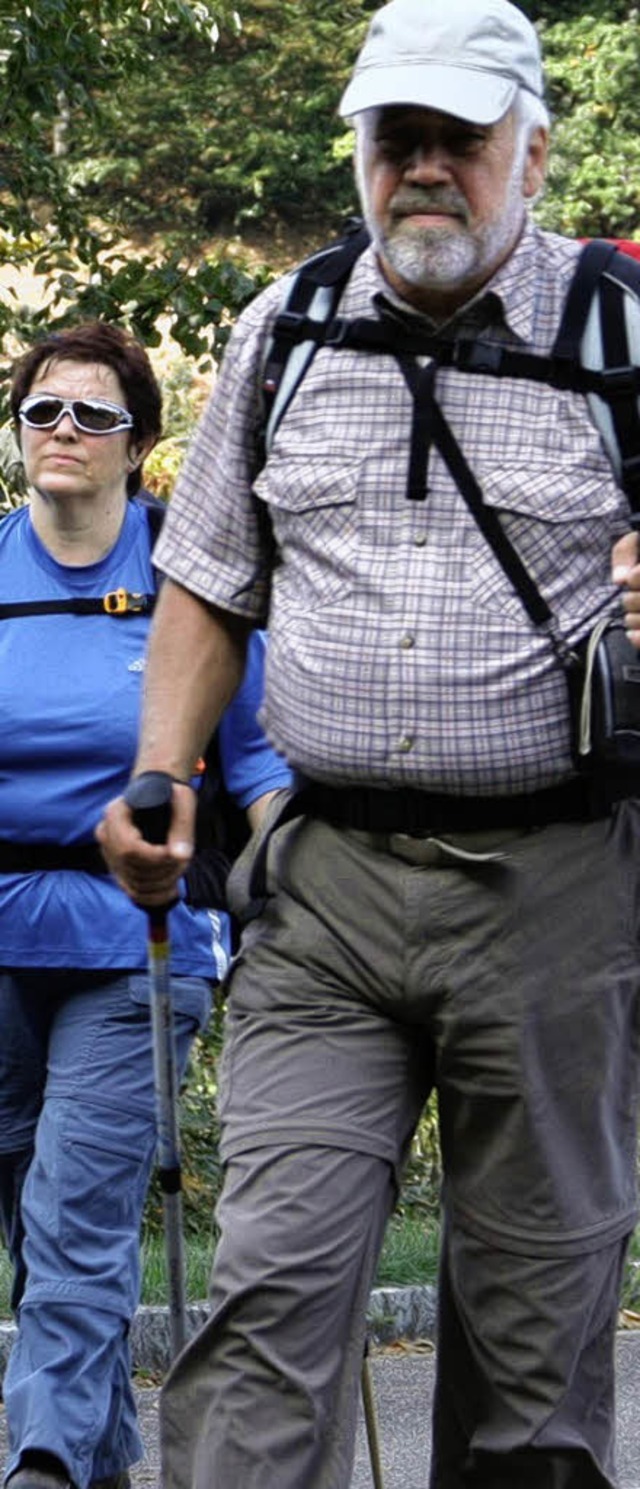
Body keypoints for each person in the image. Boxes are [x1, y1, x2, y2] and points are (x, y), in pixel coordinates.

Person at [96, 2, 640, 1485]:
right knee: (267, 1299)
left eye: (456, 140)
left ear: (530, 149)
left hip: (555, 891)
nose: (421, 173)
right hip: (323, 889)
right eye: (393, 139)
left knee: (536, 1360)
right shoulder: (288, 327)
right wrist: (164, 772)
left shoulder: (624, 339)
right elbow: (209, 573)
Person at [0, 322, 291, 1489]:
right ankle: (100, 1457)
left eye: (93, 416)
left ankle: (42, 1468)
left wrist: (296, 889)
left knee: (78, 1209)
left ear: (139, 444)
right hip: (2, 931)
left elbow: (262, 768)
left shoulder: (189, 588)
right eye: (41, 412)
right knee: (32, 1208)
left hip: (143, 934)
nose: (62, 432)